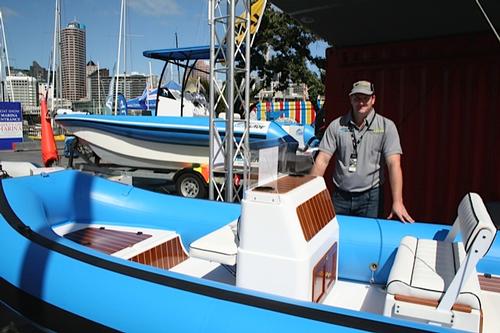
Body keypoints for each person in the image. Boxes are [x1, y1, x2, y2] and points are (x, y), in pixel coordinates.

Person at [310, 80, 414, 222]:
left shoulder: (386, 126)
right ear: (350, 99)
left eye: (365, 98)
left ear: (373, 99)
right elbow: (322, 160)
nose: (361, 102)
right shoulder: (336, 126)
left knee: (368, 237)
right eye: (357, 98)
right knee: (336, 234)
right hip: (340, 196)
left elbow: (393, 164)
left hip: (371, 198)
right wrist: (309, 196)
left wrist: (398, 201)